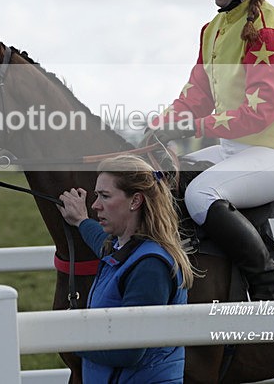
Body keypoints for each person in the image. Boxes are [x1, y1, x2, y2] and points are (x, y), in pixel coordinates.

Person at [143, 0, 274, 301]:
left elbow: (259, 113)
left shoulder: (270, 30)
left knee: (202, 192)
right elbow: (196, 97)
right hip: (235, 150)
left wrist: (186, 127)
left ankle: (272, 290)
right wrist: (157, 127)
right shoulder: (213, 29)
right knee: (163, 179)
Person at [57, 154, 194, 383]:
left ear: (135, 201)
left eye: (105, 196)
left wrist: (68, 336)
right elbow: (101, 243)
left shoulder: (150, 267)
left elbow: (127, 351)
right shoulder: (124, 249)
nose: (95, 205)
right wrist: (82, 221)